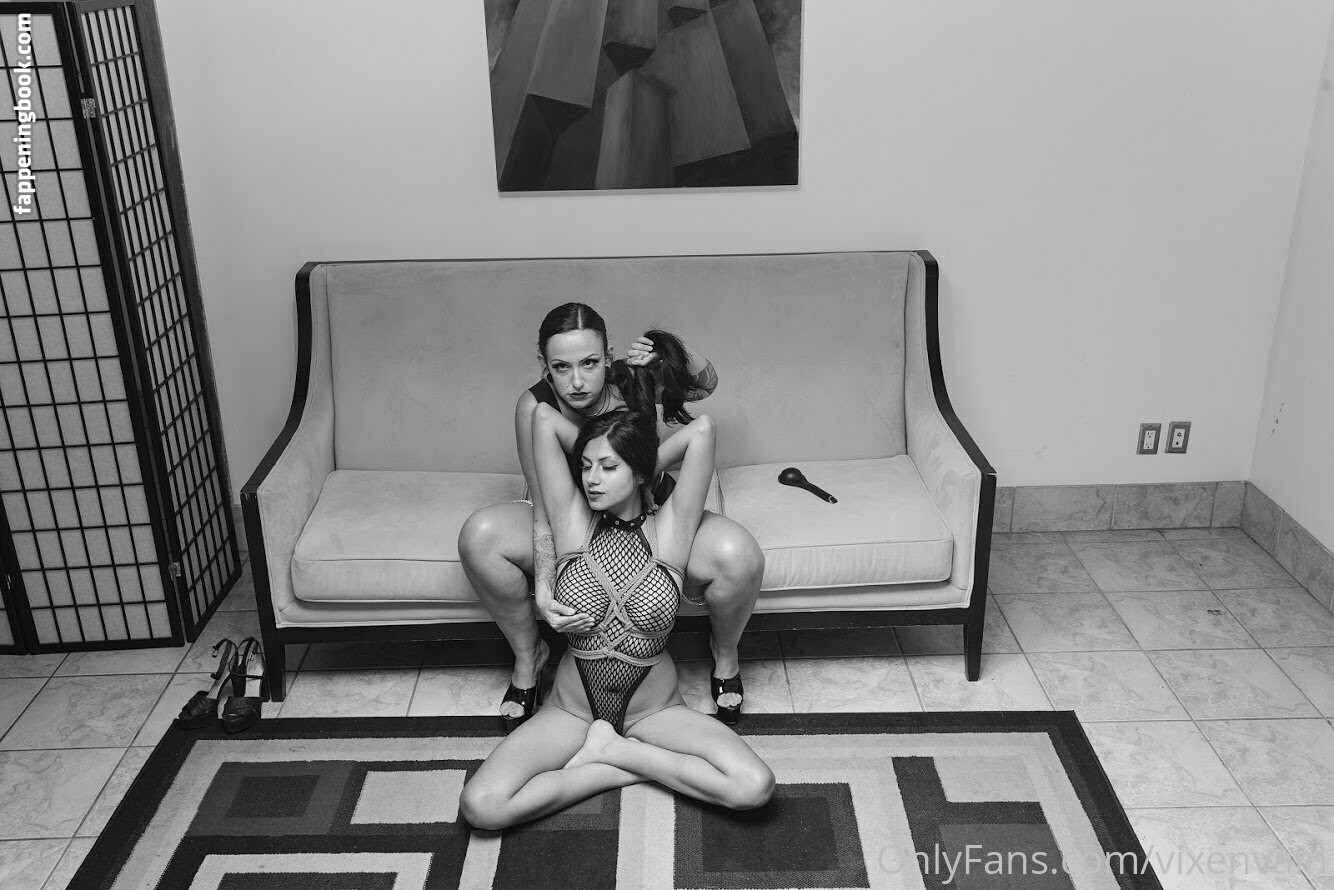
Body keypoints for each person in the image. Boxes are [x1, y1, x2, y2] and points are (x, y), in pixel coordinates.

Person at [457, 366, 774, 830]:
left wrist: (638, 455)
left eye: (608, 468)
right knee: (482, 805)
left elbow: (703, 430)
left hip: (655, 712)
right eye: (586, 466)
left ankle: (615, 751)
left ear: (641, 472)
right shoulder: (571, 523)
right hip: (571, 710)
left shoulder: (672, 531)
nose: (592, 479)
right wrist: (606, 446)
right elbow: (543, 419)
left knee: (754, 787)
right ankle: (619, 763)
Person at [458, 305, 763, 730]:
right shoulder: (535, 408)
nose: (577, 381)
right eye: (561, 367)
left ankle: (725, 653)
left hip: (652, 514)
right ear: (544, 364)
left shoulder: (631, 377)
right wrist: (544, 590)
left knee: (740, 556)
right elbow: (545, 511)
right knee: (479, 537)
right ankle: (530, 656)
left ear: (608, 355)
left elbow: (704, 386)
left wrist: (668, 354)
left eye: (589, 363)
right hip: (576, 526)